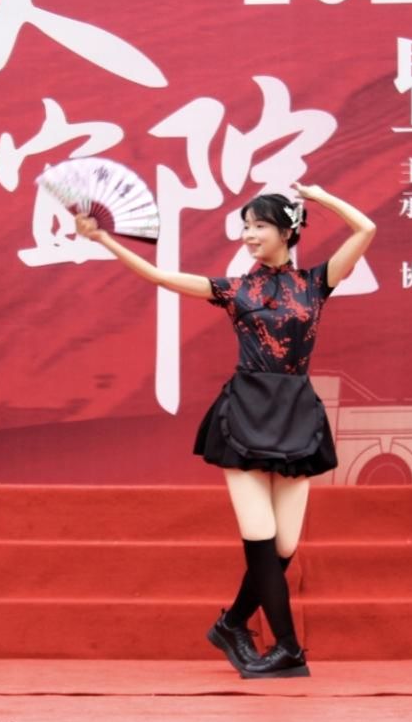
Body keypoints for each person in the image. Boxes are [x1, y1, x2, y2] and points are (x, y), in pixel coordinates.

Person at [74, 182, 376, 678]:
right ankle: (288, 648)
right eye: (245, 226)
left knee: (283, 548)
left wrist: (319, 196)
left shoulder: (316, 283)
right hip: (246, 414)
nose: (248, 235)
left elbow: (366, 228)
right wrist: (103, 238)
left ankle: (233, 623)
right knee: (260, 537)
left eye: (259, 226)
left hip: (296, 413)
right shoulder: (236, 290)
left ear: (286, 231)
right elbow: (159, 276)